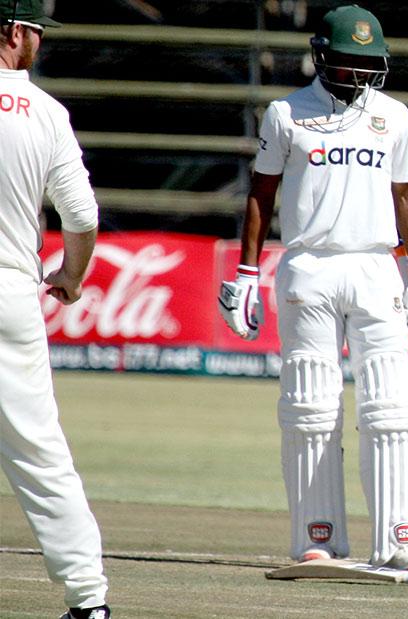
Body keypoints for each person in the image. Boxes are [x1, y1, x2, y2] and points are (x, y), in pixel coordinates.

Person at [217, 4, 408, 569]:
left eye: (368, 64)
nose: (358, 75)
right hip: (308, 268)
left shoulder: (393, 115)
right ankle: (318, 539)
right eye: (346, 63)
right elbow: (260, 194)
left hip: (374, 267)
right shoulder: (287, 113)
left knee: (392, 407)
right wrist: (247, 272)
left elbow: (406, 194)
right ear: (322, 57)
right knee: (311, 407)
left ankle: (400, 542)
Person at [0, 2, 111, 618]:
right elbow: (82, 217)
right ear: (14, 32)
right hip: (11, 290)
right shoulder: (46, 111)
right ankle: (89, 602)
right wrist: (70, 275)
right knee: (40, 454)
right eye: (37, 31)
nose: (40, 41)